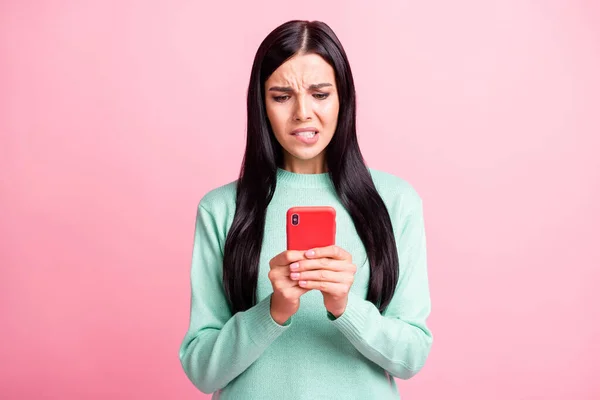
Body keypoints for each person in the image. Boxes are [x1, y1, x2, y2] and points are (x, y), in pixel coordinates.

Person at [179, 19, 433, 399]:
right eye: (281, 96)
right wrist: (274, 310)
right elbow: (202, 370)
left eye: (320, 94)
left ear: (343, 99)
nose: (302, 113)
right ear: (260, 105)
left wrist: (346, 307)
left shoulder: (395, 202)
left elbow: (411, 357)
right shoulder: (221, 209)